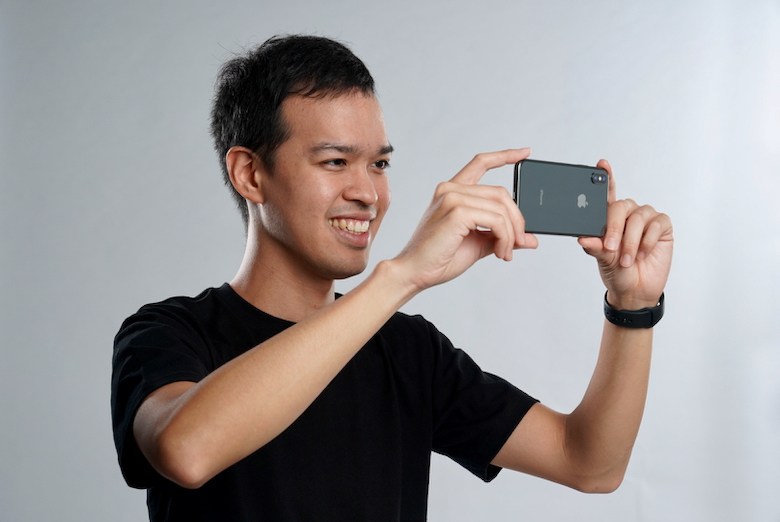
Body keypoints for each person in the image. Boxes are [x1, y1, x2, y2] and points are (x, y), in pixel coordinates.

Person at [111, 34, 673, 521]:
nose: (368, 193)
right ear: (250, 174)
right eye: (335, 162)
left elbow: (590, 463)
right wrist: (401, 277)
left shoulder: (408, 352)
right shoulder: (169, 333)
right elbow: (187, 451)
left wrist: (632, 306)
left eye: (379, 164)